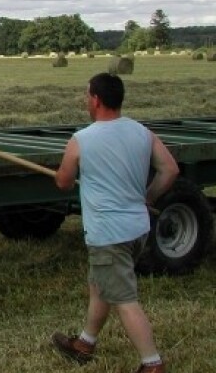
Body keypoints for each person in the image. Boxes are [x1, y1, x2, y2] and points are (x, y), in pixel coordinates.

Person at [52, 73, 179, 373]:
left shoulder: (81, 139)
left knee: (123, 298)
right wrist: (148, 196)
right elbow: (170, 170)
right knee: (101, 285)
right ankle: (85, 342)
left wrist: (62, 175)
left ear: (96, 100)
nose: (86, 101)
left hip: (108, 234)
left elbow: (63, 183)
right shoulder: (142, 132)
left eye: (87, 95)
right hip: (137, 229)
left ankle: (152, 363)